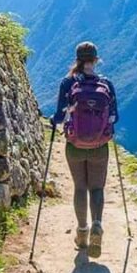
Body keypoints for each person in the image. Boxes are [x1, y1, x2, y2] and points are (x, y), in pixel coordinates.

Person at [51, 41, 118, 259]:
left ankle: (82, 233)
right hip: (99, 147)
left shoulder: (67, 83)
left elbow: (59, 117)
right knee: (96, 188)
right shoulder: (105, 83)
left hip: (75, 146)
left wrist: (54, 120)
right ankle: (97, 224)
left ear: (77, 59)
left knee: (80, 187)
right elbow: (115, 117)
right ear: (96, 59)